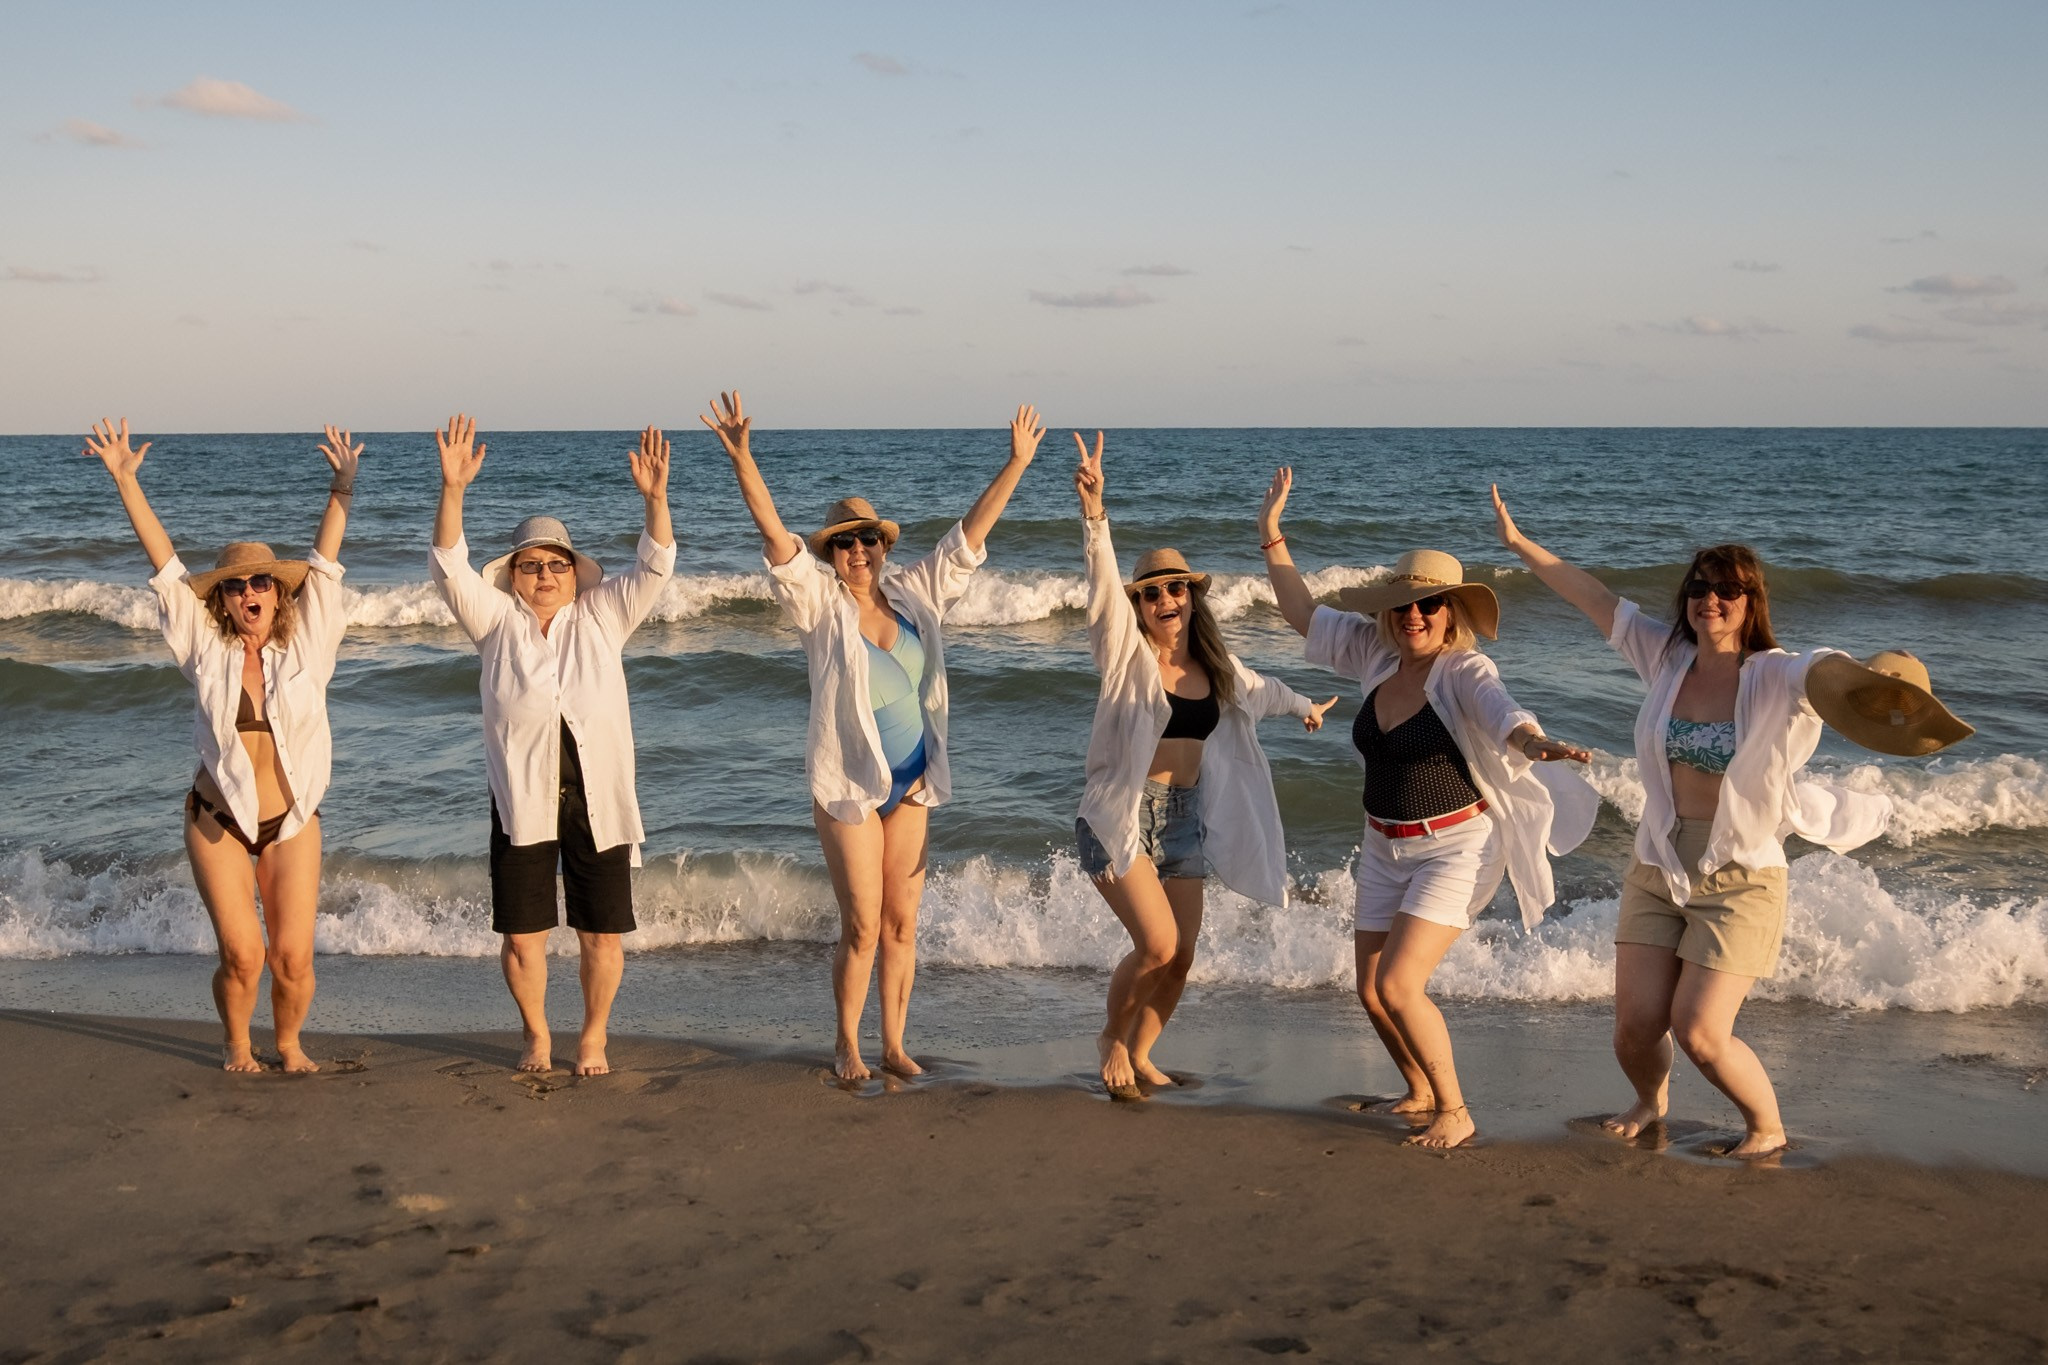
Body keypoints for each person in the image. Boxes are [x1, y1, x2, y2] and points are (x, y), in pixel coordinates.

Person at [1490, 486, 1966, 1157]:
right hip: (1659, 860)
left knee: (1700, 1029)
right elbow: (1594, 598)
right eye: (1700, 587)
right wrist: (1519, 545)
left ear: (1751, 604)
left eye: (1728, 591)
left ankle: (1766, 1128)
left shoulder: (1775, 676)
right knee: (1634, 1026)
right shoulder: (1666, 658)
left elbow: (1822, 668)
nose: (1710, 599)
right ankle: (1650, 1099)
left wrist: (1871, 681)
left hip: (1741, 874)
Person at [705, 392, 1042, 1082]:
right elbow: (776, 539)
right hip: (849, 786)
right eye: (844, 544)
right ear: (831, 554)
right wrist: (744, 458)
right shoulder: (819, 604)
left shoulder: (916, 593)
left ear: (885, 546)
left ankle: (893, 1043)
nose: (858, 551)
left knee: (902, 923)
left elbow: (967, 541)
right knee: (861, 924)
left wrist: (1016, 463)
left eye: (868, 540)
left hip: (914, 776)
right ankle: (846, 1045)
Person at [1262, 467, 1596, 1148]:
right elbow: (1301, 613)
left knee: (1400, 983)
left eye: (1432, 606)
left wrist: (1535, 742)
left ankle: (1456, 1109)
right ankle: (1417, 1087)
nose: (1415, 616)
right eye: (1405, 606)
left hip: (1455, 846)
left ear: (1453, 615)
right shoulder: (1375, 654)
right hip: (1383, 845)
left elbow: (1505, 714)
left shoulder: (1463, 671)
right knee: (1370, 989)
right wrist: (1271, 537)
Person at [86, 417, 359, 1073]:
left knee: (293, 957)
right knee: (242, 955)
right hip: (217, 820)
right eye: (235, 586)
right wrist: (127, 482)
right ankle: (237, 1043)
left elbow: (325, 563)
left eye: (260, 582)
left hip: (293, 822)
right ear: (224, 601)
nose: (247, 592)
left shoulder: (310, 645)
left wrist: (343, 487)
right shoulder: (203, 649)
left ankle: (289, 1042)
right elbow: (166, 566)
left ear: (277, 592)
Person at [1074, 436, 1338, 1099]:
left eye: (1178, 588)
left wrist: (1306, 705)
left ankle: (1142, 1051)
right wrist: (1095, 515)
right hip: (1122, 820)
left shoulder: (1215, 669)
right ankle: (1110, 1036)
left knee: (1183, 955)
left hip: (1185, 819)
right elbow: (1103, 591)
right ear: (1140, 606)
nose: (1168, 599)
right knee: (1156, 944)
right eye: (1154, 592)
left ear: (1194, 597)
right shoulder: (1127, 661)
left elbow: (1262, 690)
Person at [430, 415, 675, 1077]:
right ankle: (537, 1035)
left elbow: (656, 563)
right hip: (523, 800)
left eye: (556, 563)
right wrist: (453, 489)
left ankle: (593, 1037)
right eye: (531, 564)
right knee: (522, 935)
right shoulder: (496, 623)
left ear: (574, 572)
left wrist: (655, 499)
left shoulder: (604, 613)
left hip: (599, 799)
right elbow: (450, 567)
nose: (544, 573)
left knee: (601, 932)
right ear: (512, 576)